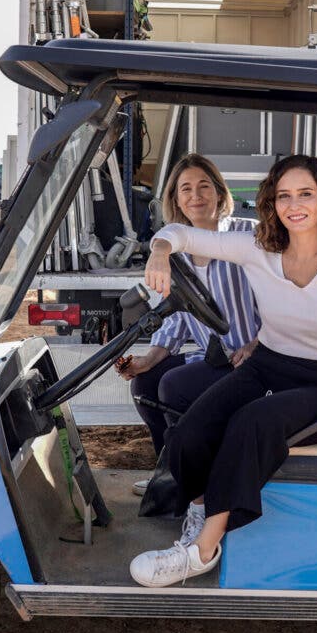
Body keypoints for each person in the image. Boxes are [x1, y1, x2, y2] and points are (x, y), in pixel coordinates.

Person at [129, 154, 317, 587]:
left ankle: (201, 550)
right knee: (191, 429)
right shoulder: (257, 246)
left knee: (251, 423)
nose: (294, 204)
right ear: (272, 202)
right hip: (266, 363)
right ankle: (200, 506)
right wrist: (159, 251)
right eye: (284, 195)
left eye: (305, 193)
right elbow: (179, 234)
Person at [116, 154, 261, 498]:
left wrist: (257, 343)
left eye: (203, 186)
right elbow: (179, 319)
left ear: (219, 193)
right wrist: (148, 359)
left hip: (254, 361)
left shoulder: (246, 234)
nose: (195, 195)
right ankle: (168, 471)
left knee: (175, 385)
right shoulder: (176, 251)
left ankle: (194, 479)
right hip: (215, 359)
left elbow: (280, 300)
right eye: (186, 189)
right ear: (176, 200)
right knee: (146, 383)